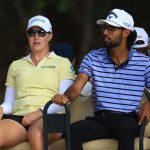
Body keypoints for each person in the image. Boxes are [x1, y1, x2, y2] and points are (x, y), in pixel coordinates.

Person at [52, 8, 150, 150]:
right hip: (101, 119)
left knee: (125, 128)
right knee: (73, 131)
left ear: (126, 32)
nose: (105, 32)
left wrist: (148, 104)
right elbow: (77, 87)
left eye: (111, 29)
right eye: (104, 27)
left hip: (128, 119)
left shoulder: (144, 63)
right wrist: (65, 97)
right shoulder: (92, 57)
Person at [0, 15, 75, 150]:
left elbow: (65, 99)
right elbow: (9, 104)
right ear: (27, 36)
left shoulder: (62, 62)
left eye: (41, 32)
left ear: (50, 36)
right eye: (32, 32)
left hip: (50, 117)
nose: (36, 37)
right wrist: (1, 109)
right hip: (19, 119)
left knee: (35, 133)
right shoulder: (15, 65)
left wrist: (39, 113)